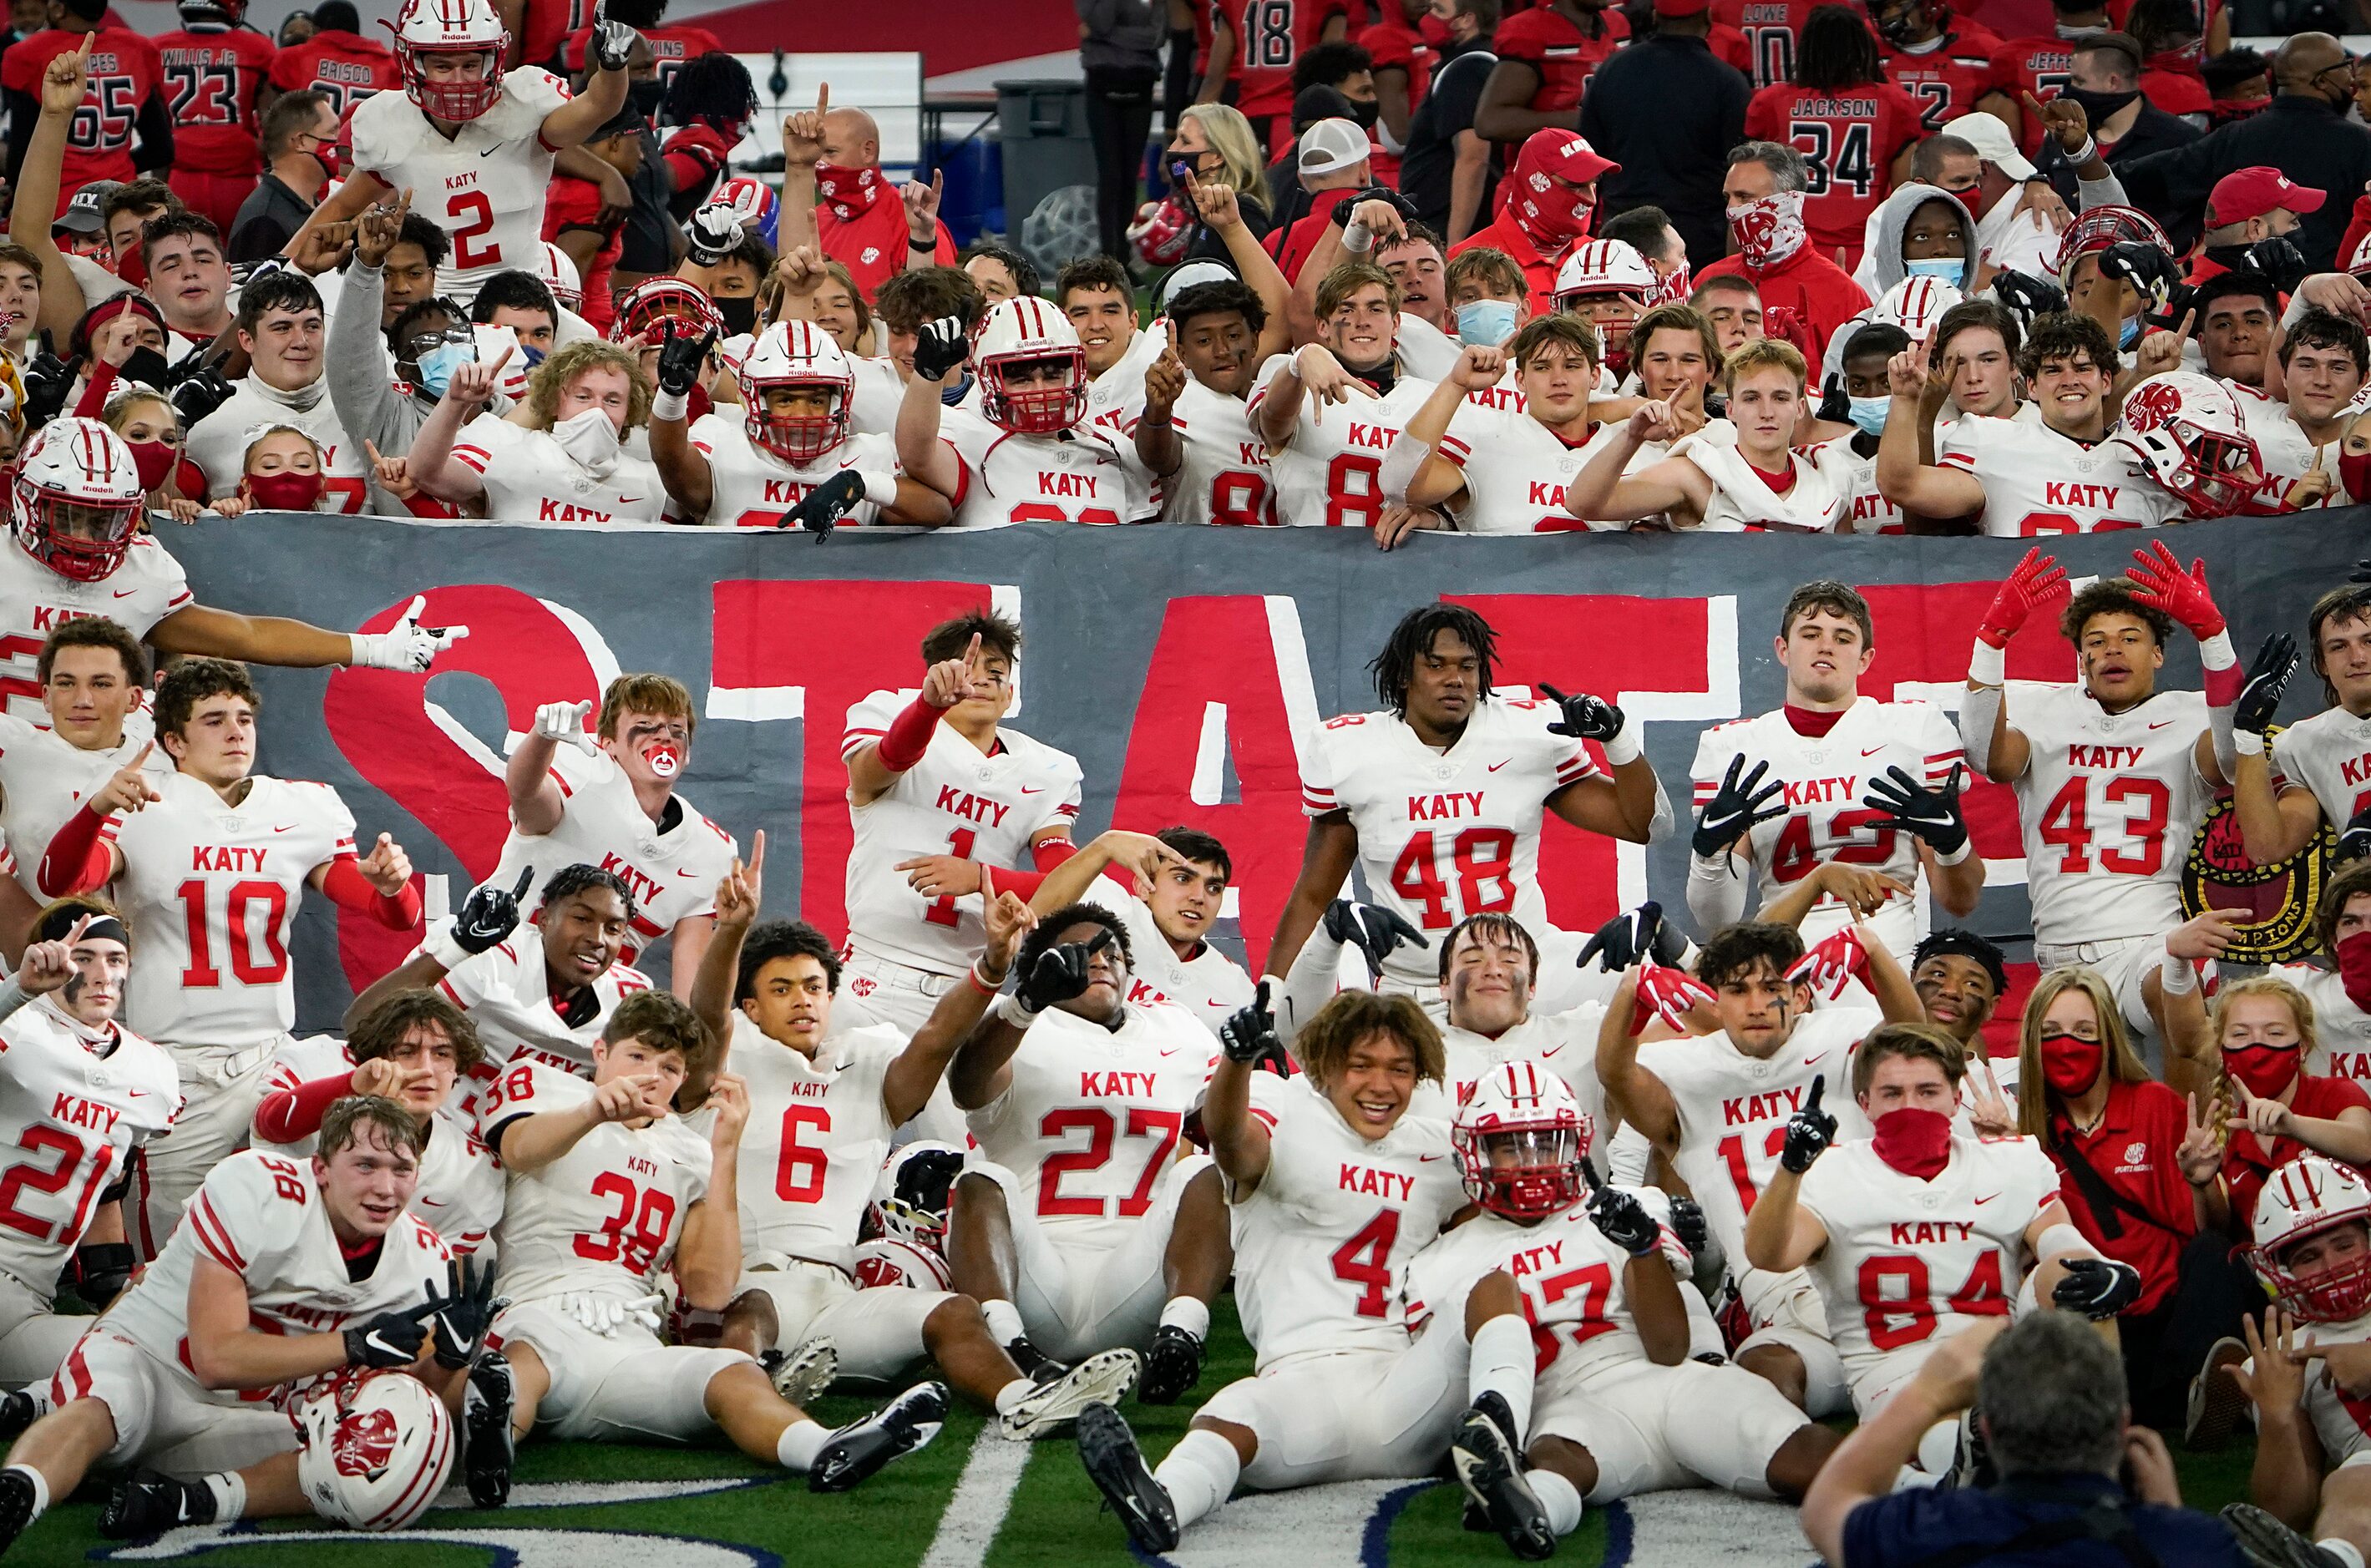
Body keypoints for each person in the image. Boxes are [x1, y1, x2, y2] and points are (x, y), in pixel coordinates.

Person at [689, 850, 1138, 1429]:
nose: (802, 999)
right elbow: (706, 1021)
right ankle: (755, 1400)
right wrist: (729, 935)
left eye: (813, 986)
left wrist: (993, 963)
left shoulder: (866, 1060)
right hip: (749, 1280)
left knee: (952, 1312)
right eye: (781, 989)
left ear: (832, 997)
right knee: (750, 1315)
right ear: (750, 1006)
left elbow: (934, 1039)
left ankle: (1026, 1403)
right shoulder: (729, 1056)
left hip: (838, 1289)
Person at [474, 989, 947, 1495]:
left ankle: (826, 1447)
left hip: (631, 1335)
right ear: (600, 1052)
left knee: (733, 1372)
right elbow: (518, 1150)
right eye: (637, 1056)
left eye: (670, 1067)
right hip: (541, 1308)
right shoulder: (545, 1087)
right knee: (519, 1366)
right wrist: (591, 1113)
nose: (651, 1075)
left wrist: (724, 1152)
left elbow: (710, 1287)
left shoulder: (686, 1147)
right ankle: (488, 1451)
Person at [35, 657, 421, 1257]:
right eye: (214, 720)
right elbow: (63, 882)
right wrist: (94, 811)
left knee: (302, 1222)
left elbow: (391, 913)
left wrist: (395, 885)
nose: (237, 731)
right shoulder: (143, 805)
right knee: (171, 1248)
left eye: (244, 718)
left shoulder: (299, 808)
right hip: (177, 1064)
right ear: (174, 742)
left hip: (271, 1052)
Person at [1074, 989, 1469, 1553]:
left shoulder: (1436, 1150)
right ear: (1325, 1066)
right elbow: (1232, 1142)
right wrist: (1236, 1062)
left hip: (1409, 1388)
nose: (1381, 1086)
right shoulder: (1285, 1118)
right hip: (1299, 1384)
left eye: (1399, 1071)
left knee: (1491, 1301)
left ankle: (1523, 1455)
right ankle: (1162, 1500)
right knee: (1230, 1414)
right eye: (1361, 1066)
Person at [0, 1096, 488, 1551]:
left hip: (245, 1418)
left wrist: (448, 1362)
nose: (385, 1188)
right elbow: (216, 1359)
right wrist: (353, 1345)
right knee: (104, 1406)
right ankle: (20, 1493)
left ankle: (186, 1502)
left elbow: (414, 1406)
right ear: (320, 1169)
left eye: (402, 1170)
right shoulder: (257, 1190)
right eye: (365, 1165)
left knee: (363, 1458)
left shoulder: (423, 1261)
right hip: (154, 1359)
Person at [1414, 1060, 1839, 1554]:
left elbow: (1668, 1347)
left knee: (1799, 1452)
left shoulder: (1624, 1207)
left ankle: (1918, 1486)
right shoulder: (1440, 1260)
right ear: (1475, 1154)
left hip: (1669, 1380)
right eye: (1511, 1147)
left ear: (1575, 1144)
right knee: (1556, 1459)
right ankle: (1529, 1508)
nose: (1533, 1163)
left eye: (1547, 1143)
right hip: (1571, 1399)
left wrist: (1643, 1250)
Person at [1745, 1022, 2142, 1479]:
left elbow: (2058, 1239)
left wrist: (2101, 1269)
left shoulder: (2006, 1162)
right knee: (1943, 1438)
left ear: (1957, 1098)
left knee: (2079, 1280)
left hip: (1999, 1350)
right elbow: (1769, 1256)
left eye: (1927, 1091)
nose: (1910, 1107)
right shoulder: (1831, 1171)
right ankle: (1983, 1451)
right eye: (1892, 1093)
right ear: (1864, 1104)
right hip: (1895, 1368)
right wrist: (1791, 1168)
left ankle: (2099, 1444)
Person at [1265, 601, 1665, 1016]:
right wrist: (1270, 993)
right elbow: (1314, 895)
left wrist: (1616, 739)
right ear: (1405, 675)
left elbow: (1647, 826)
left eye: (1467, 666)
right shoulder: (1352, 752)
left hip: (1530, 971)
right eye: (1436, 666)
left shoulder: (1525, 736)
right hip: (1416, 988)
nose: (1455, 679)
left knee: (1649, 987)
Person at [1598, 921, 1921, 1415]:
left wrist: (1873, 950)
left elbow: (1914, 1037)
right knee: (1763, 1378)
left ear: (1802, 993)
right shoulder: (1686, 1067)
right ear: (1714, 998)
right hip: (1777, 1290)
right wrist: (1628, 994)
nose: (1756, 1005)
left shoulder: (1839, 1038)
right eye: (1738, 989)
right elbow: (1615, 1075)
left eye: (1773, 987)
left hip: (1872, 1267)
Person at [0, 413, 464, 726]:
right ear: (25, 500)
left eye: (106, 518)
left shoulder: (138, 569)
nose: (86, 535)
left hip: (99, 770)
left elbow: (248, 636)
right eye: (69, 515)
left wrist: (372, 648)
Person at [1960, 551, 2247, 1049]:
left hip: (2149, 942)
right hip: (2058, 953)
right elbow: (1987, 756)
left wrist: (2212, 636)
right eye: (2097, 641)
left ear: (2158, 654)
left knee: (2176, 985)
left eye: (2131, 639)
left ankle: (2196, 1128)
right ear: (2081, 659)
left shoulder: (2187, 715)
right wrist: (1991, 642)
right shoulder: (2048, 712)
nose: (2113, 650)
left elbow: (2232, 759)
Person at [942, 905, 1228, 1392]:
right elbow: (967, 1085)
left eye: (1112, 954)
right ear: (1043, 969)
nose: (1099, 962)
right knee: (981, 1180)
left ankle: (1181, 1337)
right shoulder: (1014, 1026)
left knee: (1204, 1171)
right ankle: (1007, 1343)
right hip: (1035, 1276)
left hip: (1138, 1277)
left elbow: (1225, 1129)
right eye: (1081, 953)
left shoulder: (1178, 1031)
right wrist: (1026, 1003)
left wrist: (1245, 1070)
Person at [1799, 1311, 2246, 1566]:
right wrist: (2170, 1516)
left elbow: (1826, 1508)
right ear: (2121, 1426)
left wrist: (1927, 1394)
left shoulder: (1929, 1530)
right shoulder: (2196, 1545)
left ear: (1987, 1431)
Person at [1687, 580, 1980, 959]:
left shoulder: (1912, 732)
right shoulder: (1736, 750)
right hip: (1783, 972)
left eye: (1843, 638)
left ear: (1865, 659)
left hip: (1888, 964)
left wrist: (1952, 845)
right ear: (1783, 649)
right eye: (1810, 634)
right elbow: (1717, 921)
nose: (1826, 645)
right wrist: (1708, 854)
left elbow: (1962, 900)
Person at [2015, 964, 2245, 1431]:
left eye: (2084, 1031)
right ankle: (2172, 1402)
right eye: (2053, 1032)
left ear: (2108, 1039)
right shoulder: (2025, 1140)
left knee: (2215, 1254)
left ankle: (2189, 1392)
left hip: (2171, 1305)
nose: (2068, 1045)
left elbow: (2214, 1230)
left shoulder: (2155, 1104)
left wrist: (2202, 1182)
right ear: (2033, 1047)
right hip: (2098, 1317)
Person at [836, 609, 1082, 1044]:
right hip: (869, 979)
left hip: (968, 988)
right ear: (936, 676)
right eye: (967, 668)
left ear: (1009, 694)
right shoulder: (891, 713)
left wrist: (981, 877)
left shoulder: (1048, 769)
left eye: (996, 672)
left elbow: (1066, 885)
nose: (982, 680)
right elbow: (871, 773)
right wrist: (927, 709)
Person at [287, 0, 634, 303]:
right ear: (414, 63)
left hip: (524, 299)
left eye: (471, 65)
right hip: (435, 305)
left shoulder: (522, 106)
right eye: (443, 66)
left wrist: (613, 65)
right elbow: (345, 205)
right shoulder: (390, 124)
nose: (459, 81)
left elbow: (598, 105)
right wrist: (282, 262)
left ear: (494, 60)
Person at [0, 903, 176, 1388]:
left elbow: (107, 1190)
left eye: (115, 959)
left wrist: (114, 1286)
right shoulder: (16, 1024)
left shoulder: (152, 1070)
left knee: (147, 1363)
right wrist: (19, 989)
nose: (101, 974)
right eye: (83, 957)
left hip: (27, 1299)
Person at [1876, 311, 2205, 533]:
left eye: (2082, 368)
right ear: (2031, 386)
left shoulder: (2148, 459)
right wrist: (1905, 401)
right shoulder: (1992, 441)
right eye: (2052, 370)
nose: (2069, 380)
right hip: (2026, 630)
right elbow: (1902, 486)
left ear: (2106, 382)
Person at [343, 863, 651, 1095]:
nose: (597, 939)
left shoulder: (632, 999)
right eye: (582, 919)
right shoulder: (490, 956)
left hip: (546, 1144)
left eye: (613, 929)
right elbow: (361, 1024)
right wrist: (457, 949)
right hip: (445, 1126)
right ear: (544, 920)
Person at [249, 989, 504, 1254]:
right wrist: (351, 1085)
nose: (426, 1068)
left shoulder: (472, 1169)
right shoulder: (324, 1062)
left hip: (370, 1290)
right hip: (266, 1255)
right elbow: (269, 1122)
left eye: (442, 1054)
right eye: (407, 1052)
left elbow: (447, 1272)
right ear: (374, 1056)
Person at [2218, 1154, 2371, 1568]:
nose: (2334, 1267)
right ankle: (2335, 1561)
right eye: (2309, 1257)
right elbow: (2287, 1514)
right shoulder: (2285, 1355)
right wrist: (2278, 1417)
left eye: (2344, 1245)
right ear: (2278, 1270)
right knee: (2354, 1480)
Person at [655, 319, 948, 530]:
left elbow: (938, 512)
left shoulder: (870, 455)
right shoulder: (723, 444)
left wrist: (865, 483)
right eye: (785, 400)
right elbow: (671, 460)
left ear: (838, 401)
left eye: (816, 400)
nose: (802, 414)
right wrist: (671, 394)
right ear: (756, 399)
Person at [2116, 33, 2371, 272]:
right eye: (2345, 66)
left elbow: (2146, 176)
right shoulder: (2362, 144)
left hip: (2249, 300)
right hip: (2332, 300)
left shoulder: (2234, 138)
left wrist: (2087, 168)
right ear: (2322, 81)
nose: (2351, 78)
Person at [898, 297, 1154, 527]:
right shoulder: (967, 434)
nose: (1039, 390)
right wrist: (928, 374)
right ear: (988, 381)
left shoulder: (1116, 449)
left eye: (1053, 375)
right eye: (1021, 379)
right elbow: (916, 454)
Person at [1565, 335, 1856, 530]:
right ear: (1729, 409)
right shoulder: (1698, 473)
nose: (1767, 412)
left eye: (1780, 398)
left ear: (1801, 408)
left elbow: (1850, 574)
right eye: (1751, 398)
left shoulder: (1829, 474)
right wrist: (1631, 436)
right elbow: (1584, 504)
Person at [1386, 319, 1609, 537]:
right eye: (1542, 368)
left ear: (1595, 376)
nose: (1559, 379)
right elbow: (1399, 485)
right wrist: (1455, 385)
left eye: (1572, 366)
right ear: (1520, 380)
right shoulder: (1485, 438)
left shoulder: (1630, 451)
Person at [0, 621, 167, 910]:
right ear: (46, 697)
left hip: (141, 950)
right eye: (66, 684)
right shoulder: (11, 749)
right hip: (35, 945)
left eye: (101, 684)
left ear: (134, 698)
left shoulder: (171, 759)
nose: (83, 700)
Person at [409, 338, 665, 524]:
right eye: (583, 396)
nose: (597, 411)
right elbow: (426, 474)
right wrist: (456, 403)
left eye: (612, 400)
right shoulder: (505, 448)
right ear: (555, 402)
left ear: (629, 410)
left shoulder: (651, 484)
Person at [1742, 7, 1922, 271]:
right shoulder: (1894, 103)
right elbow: (1904, 199)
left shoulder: (1772, 102)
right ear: (1861, 48)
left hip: (1788, 248)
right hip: (1864, 253)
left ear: (1806, 48)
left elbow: (1748, 195)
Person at [1022, 827, 1253, 1032]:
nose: (1198, 897)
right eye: (1183, 879)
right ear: (1143, 887)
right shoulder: (1110, 907)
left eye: (1213, 888)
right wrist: (1106, 845)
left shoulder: (1236, 989)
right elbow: (1037, 917)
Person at [1578, 0, 1750, 269]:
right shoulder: (1728, 82)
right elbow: (1740, 170)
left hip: (1622, 232)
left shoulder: (1612, 69)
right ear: (1707, 18)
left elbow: (1589, 156)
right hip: (1698, 241)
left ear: (1656, 16)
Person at [183, 271, 371, 513]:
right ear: (247, 340)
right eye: (282, 328)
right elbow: (162, 507)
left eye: (312, 326)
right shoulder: (205, 413)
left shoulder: (368, 408)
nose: (301, 341)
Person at [2204, 977, 2371, 1238]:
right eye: (2240, 1034)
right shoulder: (2227, 1133)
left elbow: (2363, 1144)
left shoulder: (2336, 1094)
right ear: (2220, 1050)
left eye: (2275, 1033)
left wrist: (2293, 1126)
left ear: (2303, 1048)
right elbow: (2221, 1233)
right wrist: (2201, 1184)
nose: (2257, 1045)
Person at [1698, 142, 1870, 364]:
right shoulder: (1709, 280)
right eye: (1727, 198)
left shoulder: (1842, 295)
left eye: (1744, 198)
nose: (1731, 210)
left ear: (1787, 203)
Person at [1132, 277, 1284, 525]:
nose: (1222, 350)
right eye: (1204, 340)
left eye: (1233, 336)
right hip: (1202, 560)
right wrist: (1158, 413)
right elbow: (1158, 458)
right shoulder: (1183, 401)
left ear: (1254, 342)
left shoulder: (1281, 397)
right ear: (1183, 354)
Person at [788, 84, 955, 305]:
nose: (820, 163)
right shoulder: (815, 220)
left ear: (868, 151)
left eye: (830, 152)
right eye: (818, 154)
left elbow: (942, 308)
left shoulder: (912, 221)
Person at [0, 5, 170, 211]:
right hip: (118, 200)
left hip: (57, 203)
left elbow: (21, 148)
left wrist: (15, 199)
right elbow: (161, 149)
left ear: (58, 8)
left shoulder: (28, 52)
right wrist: (111, 170)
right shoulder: (137, 47)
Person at [2248, 586, 2371, 868]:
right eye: (2339, 646)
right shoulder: (2300, 744)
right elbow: (2267, 849)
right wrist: (2247, 735)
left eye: (2369, 641)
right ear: (2321, 662)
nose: (2358, 658)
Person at [1446, 129, 1614, 316]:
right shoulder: (1463, 262)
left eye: (1594, 184)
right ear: (1536, 182)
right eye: (1575, 185)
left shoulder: (1604, 258)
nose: (1590, 198)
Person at [153, 0, 275, 234]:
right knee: (247, 259)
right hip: (238, 178)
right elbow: (271, 123)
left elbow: (156, 131)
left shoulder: (157, 47)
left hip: (181, 176)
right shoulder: (257, 47)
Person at [1397, 0, 1501, 244]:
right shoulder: (1484, 62)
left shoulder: (1466, 70)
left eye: (1438, 10)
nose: (1428, 16)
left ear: (1467, 19)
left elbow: (1473, 159)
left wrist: (1455, 244)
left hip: (1449, 224)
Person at [1474, 0, 1627, 149]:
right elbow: (1490, 123)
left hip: (1603, 167)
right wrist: (1576, 121)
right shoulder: (1532, 31)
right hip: (1546, 170)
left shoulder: (1617, 25)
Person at [1199, 0, 1348, 151]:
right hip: (1295, 116)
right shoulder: (1325, 4)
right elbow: (1331, 67)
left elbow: (1213, 78)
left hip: (1247, 120)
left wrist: (1195, 126)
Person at [1080, 0, 1163, 266]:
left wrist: (1106, 36)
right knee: (1110, 175)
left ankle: (1125, 258)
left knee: (1130, 176)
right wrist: (1107, 32)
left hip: (1141, 85)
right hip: (1102, 86)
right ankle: (1107, 255)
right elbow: (1101, 23)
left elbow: (1158, 36)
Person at [226, 89, 335, 263]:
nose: (339, 140)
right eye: (333, 131)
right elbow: (253, 289)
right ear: (301, 141)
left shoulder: (304, 204)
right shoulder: (265, 221)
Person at [1165, 104, 1276, 266]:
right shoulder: (1205, 211)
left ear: (1217, 157)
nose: (1173, 148)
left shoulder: (1241, 214)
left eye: (1185, 141)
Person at [1872, 0, 2003, 134]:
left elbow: (1997, 134)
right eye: (1885, 9)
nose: (1890, 15)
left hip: (1950, 153)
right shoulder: (1870, 53)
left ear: (1930, 6)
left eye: (1899, 5)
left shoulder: (1979, 51)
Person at [263, 0, 399, 114]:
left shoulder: (292, 57)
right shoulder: (390, 65)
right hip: (367, 145)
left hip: (308, 144)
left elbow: (271, 115)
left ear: (316, 29)